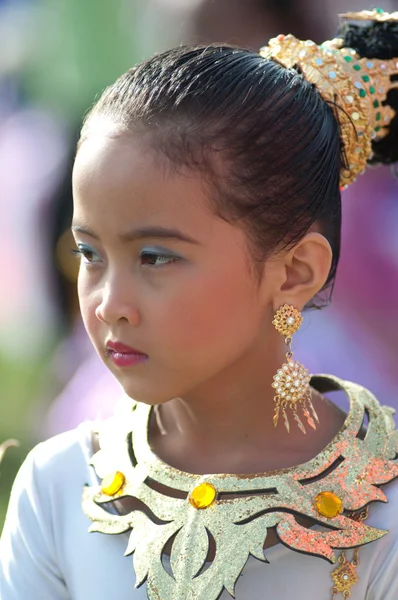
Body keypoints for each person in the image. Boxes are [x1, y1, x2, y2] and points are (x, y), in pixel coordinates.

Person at [2, 7, 398, 600]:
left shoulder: (383, 504)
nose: (111, 304)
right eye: (89, 253)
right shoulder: (59, 485)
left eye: (156, 257)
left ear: (294, 272)